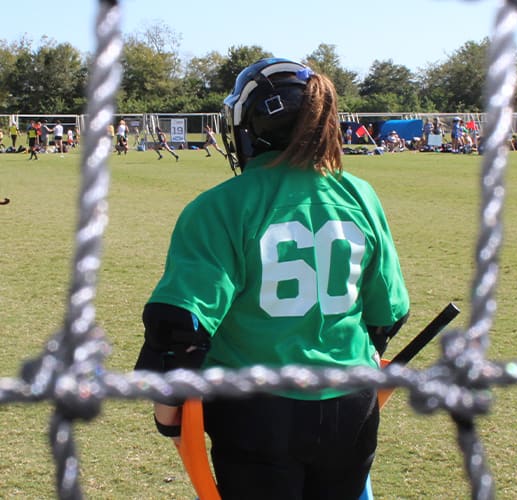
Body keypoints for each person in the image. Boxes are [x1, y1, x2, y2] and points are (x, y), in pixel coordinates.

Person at [134, 57, 410, 499]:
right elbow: (388, 311)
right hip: (350, 405)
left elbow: (179, 327)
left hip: (256, 411)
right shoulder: (360, 194)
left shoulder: (221, 205)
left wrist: (168, 414)